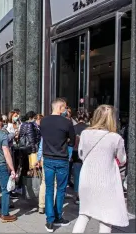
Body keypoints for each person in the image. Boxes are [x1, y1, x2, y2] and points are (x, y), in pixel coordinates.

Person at [72, 105, 128, 233]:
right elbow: (123, 159)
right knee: (106, 218)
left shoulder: (85, 134)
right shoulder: (115, 138)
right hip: (106, 180)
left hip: (87, 179)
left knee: (84, 215)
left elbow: (81, 154)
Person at [40, 98, 75, 232]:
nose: (66, 110)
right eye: (65, 107)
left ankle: (50, 220)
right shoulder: (67, 122)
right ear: (60, 108)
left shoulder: (43, 121)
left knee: (49, 189)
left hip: (48, 158)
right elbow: (72, 141)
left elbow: (43, 137)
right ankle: (58, 216)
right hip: (61, 159)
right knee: (60, 189)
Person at [71, 115, 88, 205]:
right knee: (86, 175)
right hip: (86, 154)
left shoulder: (74, 128)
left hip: (76, 153)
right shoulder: (88, 129)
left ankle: (77, 194)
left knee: (77, 174)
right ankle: (85, 194)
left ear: (77, 119)